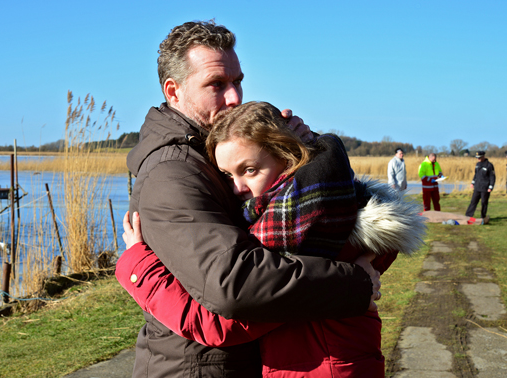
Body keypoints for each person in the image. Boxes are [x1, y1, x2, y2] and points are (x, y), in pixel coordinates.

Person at [120, 20, 380, 378]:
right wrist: (356, 283)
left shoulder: (219, 151)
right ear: (173, 91)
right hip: (197, 368)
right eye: (216, 85)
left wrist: (298, 153)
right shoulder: (173, 173)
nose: (234, 98)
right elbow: (235, 285)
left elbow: (330, 218)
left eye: (237, 82)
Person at [117, 101, 425, 377]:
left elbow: (215, 325)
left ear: (288, 157)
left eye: (249, 170)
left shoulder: (300, 234)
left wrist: (137, 266)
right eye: (227, 175)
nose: (237, 187)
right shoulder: (333, 203)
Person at [465, 151, 495, 220]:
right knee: (473, 201)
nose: (478, 159)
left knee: (484, 202)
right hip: (477, 187)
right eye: (477, 158)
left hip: (485, 188)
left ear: (483, 156)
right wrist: (472, 182)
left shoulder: (489, 165)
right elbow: (476, 175)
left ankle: (483, 217)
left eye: (479, 158)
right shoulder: (477, 164)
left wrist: (491, 187)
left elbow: (492, 177)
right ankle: (468, 215)